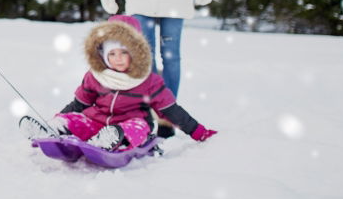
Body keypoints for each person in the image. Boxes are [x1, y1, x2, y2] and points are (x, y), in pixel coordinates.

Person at [21, 15, 217, 150]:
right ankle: (51, 130)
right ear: (104, 56)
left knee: (137, 127)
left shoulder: (148, 80)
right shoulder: (96, 75)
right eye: (112, 54)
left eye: (125, 52)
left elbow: (171, 110)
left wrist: (199, 132)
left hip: (132, 125)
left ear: (136, 53)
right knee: (74, 119)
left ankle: (114, 138)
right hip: (97, 124)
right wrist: (61, 116)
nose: (118, 59)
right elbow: (80, 104)